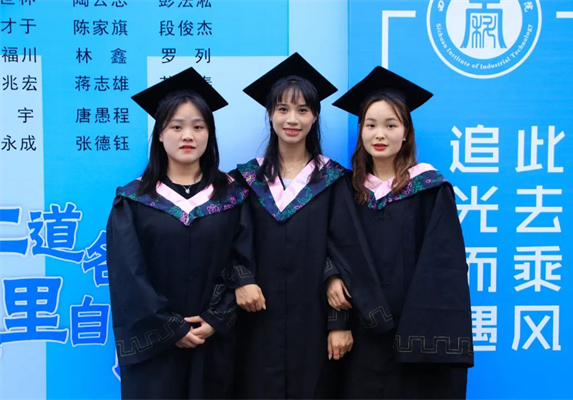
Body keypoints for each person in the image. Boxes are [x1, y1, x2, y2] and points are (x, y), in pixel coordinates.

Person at [228, 53, 394, 399]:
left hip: (315, 322)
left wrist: (339, 323)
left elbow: (345, 253)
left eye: (303, 110)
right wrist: (242, 280)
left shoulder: (334, 181)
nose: (292, 119)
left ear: (315, 116)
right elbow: (228, 242)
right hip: (256, 319)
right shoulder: (243, 180)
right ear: (270, 113)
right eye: (283, 109)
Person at [327, 66, 474, 399]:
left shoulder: (430, 189)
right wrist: (332, 281)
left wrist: (419, 332)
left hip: (413, 328)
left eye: (391, 125)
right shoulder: (345, 191)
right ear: (361, 131)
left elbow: (444, 266)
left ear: (406, 132)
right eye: (371, 125)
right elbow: (330, 250)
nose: (380, 134)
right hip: (359, 331)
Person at [106, 68, 251, 399]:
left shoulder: (232, 197)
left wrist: (217, 318)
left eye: (198, 127)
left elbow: (245, 261)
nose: (188, 135)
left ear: (209, 134)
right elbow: (128, 275)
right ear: (160, 134)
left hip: (215, 341)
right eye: (176, 126)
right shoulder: (134, 200)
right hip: (155, 348)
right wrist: (170, 327)